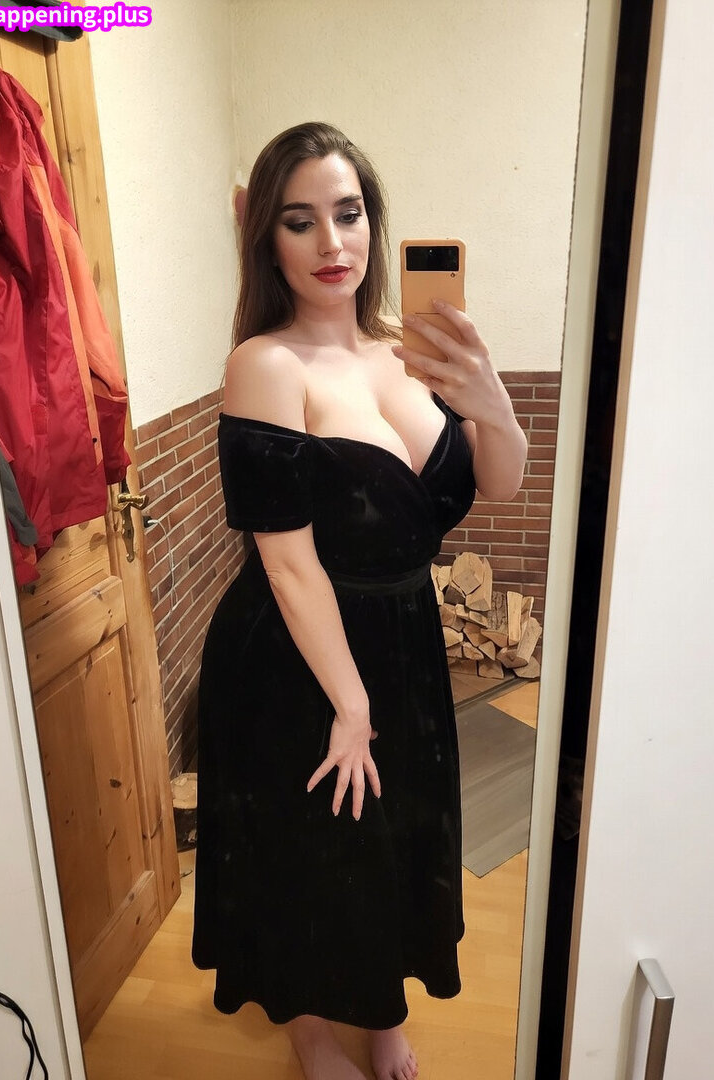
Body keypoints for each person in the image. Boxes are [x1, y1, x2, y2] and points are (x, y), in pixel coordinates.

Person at [191, 122, 527, 1080]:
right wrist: (349, 701)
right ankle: (309, 1027)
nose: (331, 242)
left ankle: (381, 1012)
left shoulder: (409, 352)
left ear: (374, 223)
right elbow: (288, 564)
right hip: (300, 651)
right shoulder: (267, 364)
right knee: (311, 845)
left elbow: (499, 483)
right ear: (268, 238)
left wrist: (491, 397)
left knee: (395, 835)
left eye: (348, 214)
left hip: (406, 636)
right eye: (300, 221)